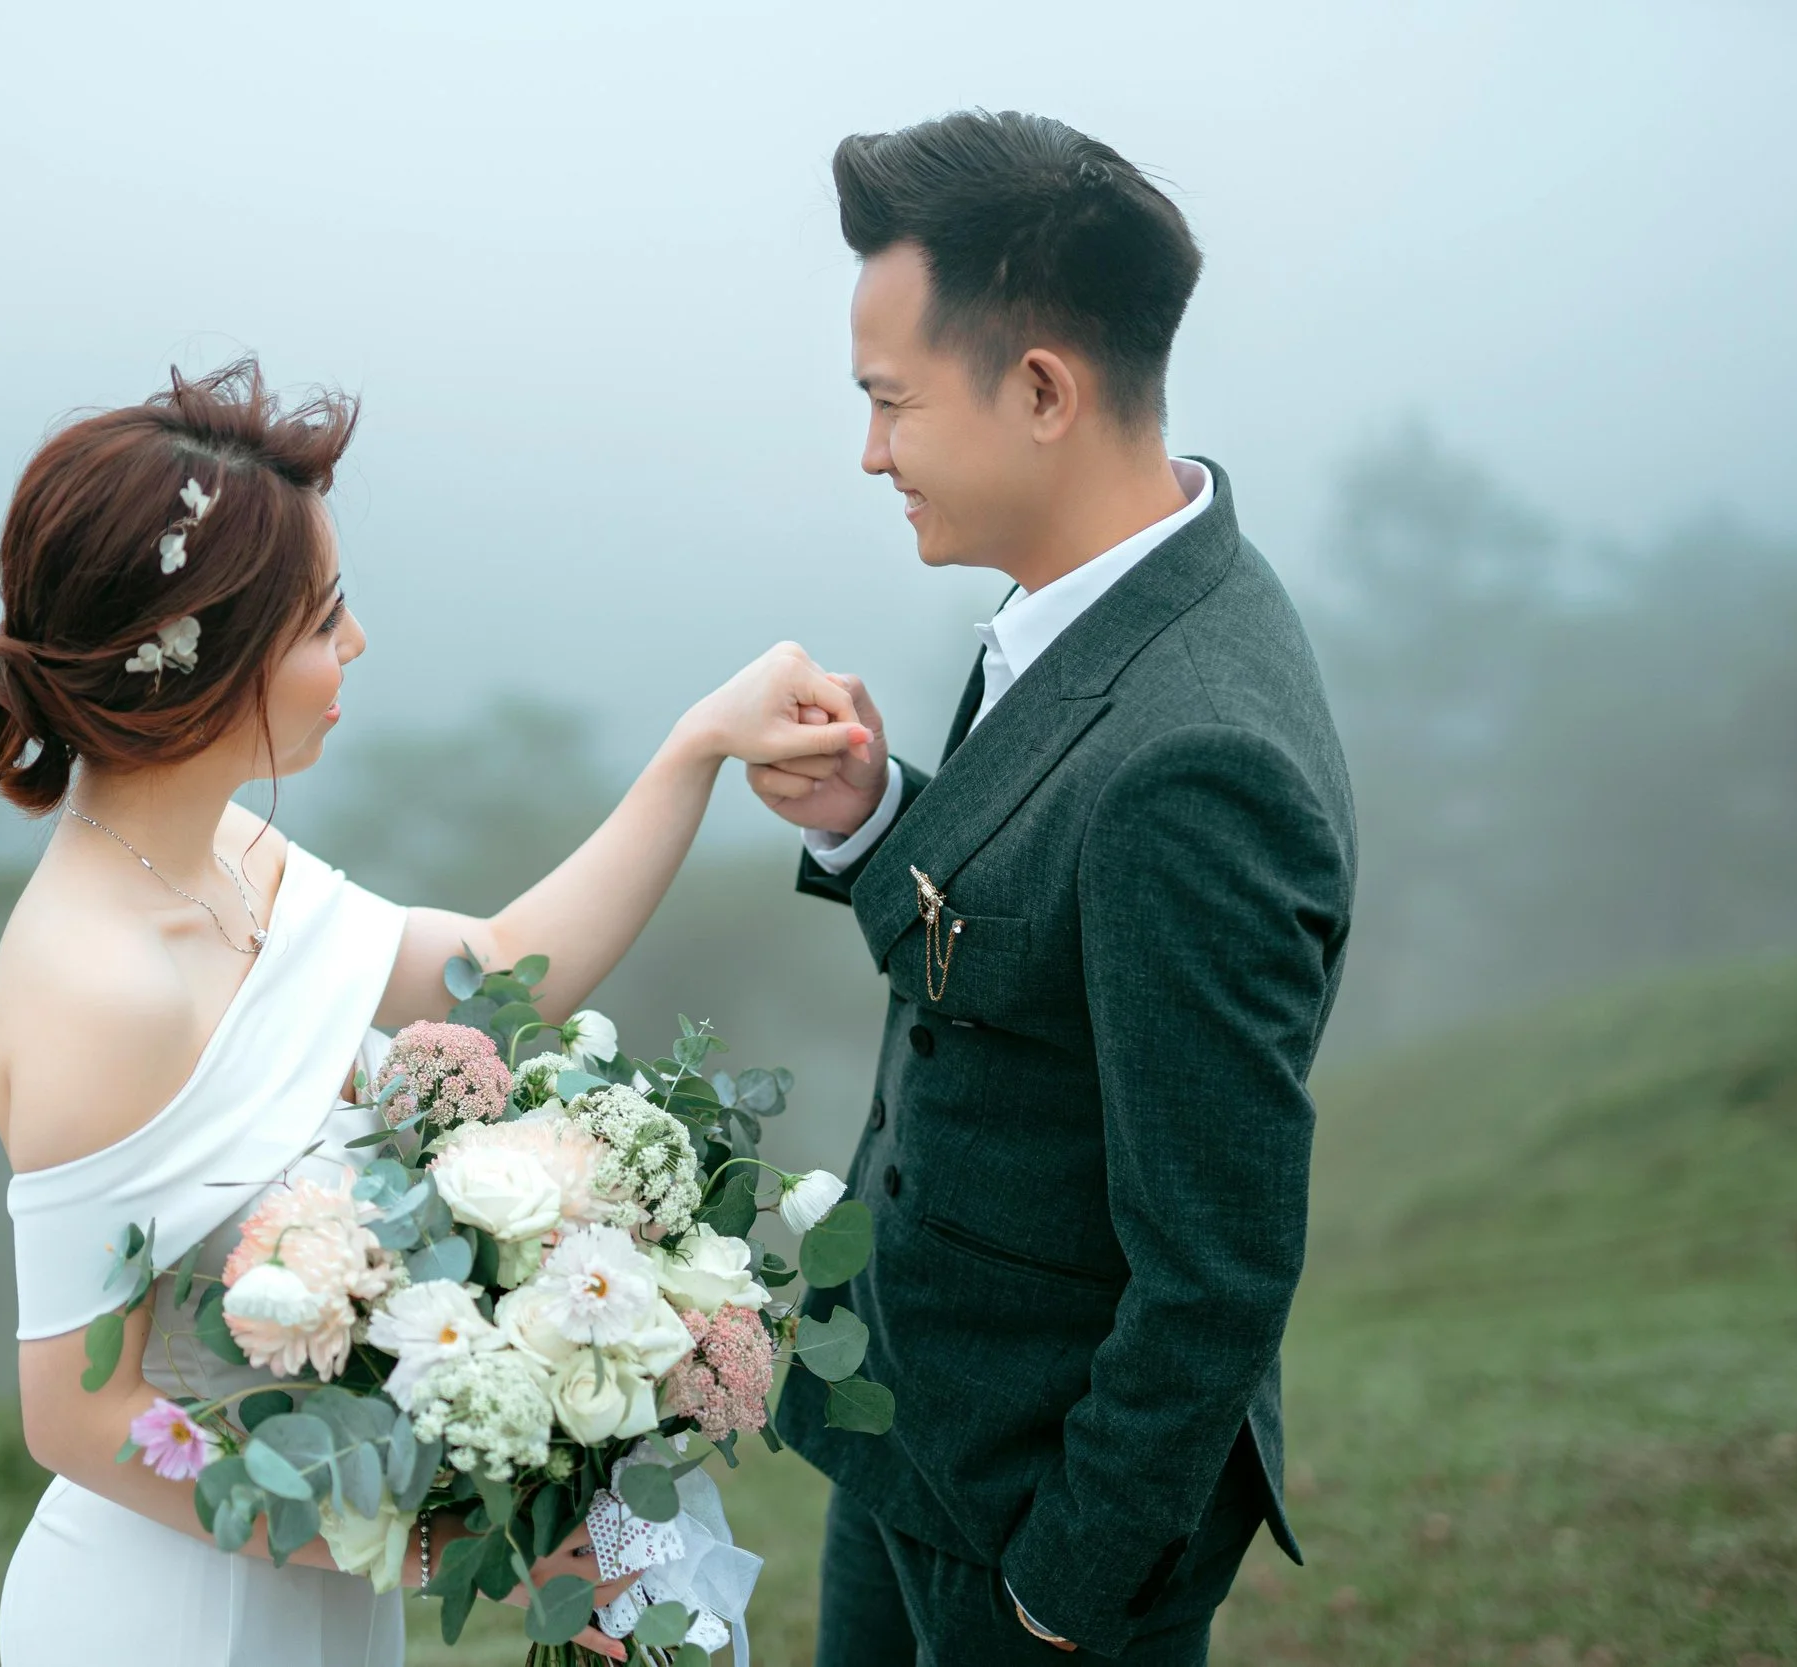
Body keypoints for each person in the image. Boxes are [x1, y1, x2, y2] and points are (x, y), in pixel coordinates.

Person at [0, 362, 869, 1666]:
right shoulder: (99, 988)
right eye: (325, 617)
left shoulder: (230, 859)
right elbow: (81, 1419)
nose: (357, 643)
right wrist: (444, 1547)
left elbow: (499, 966)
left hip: (317, 1590)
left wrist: (698, 746)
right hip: (170, 1617)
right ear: (206, 652)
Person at [750, 112, 1358, 1665]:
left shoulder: (1199, 764)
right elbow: (1031, 953)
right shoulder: (1092, 598)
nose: (870, 452)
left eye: (890, 402)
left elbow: (1218, 1266)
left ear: (1040, 391)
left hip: (1033, 1533)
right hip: (913, 1440)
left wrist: (1061, 1590)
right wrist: (876, 818)